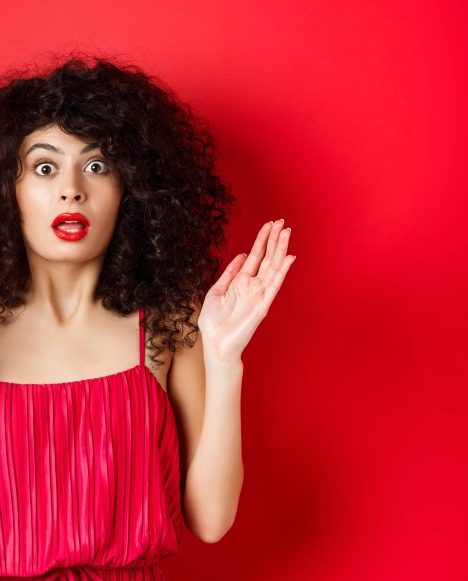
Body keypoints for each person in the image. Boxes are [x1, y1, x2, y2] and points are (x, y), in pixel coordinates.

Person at [0, 54, 296, 579]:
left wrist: (225, 360)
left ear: (131, 190)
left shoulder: (166, 324)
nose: (73, 189)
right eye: (45, 167)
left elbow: (210, 520)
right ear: (9, 190)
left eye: (97, 166)